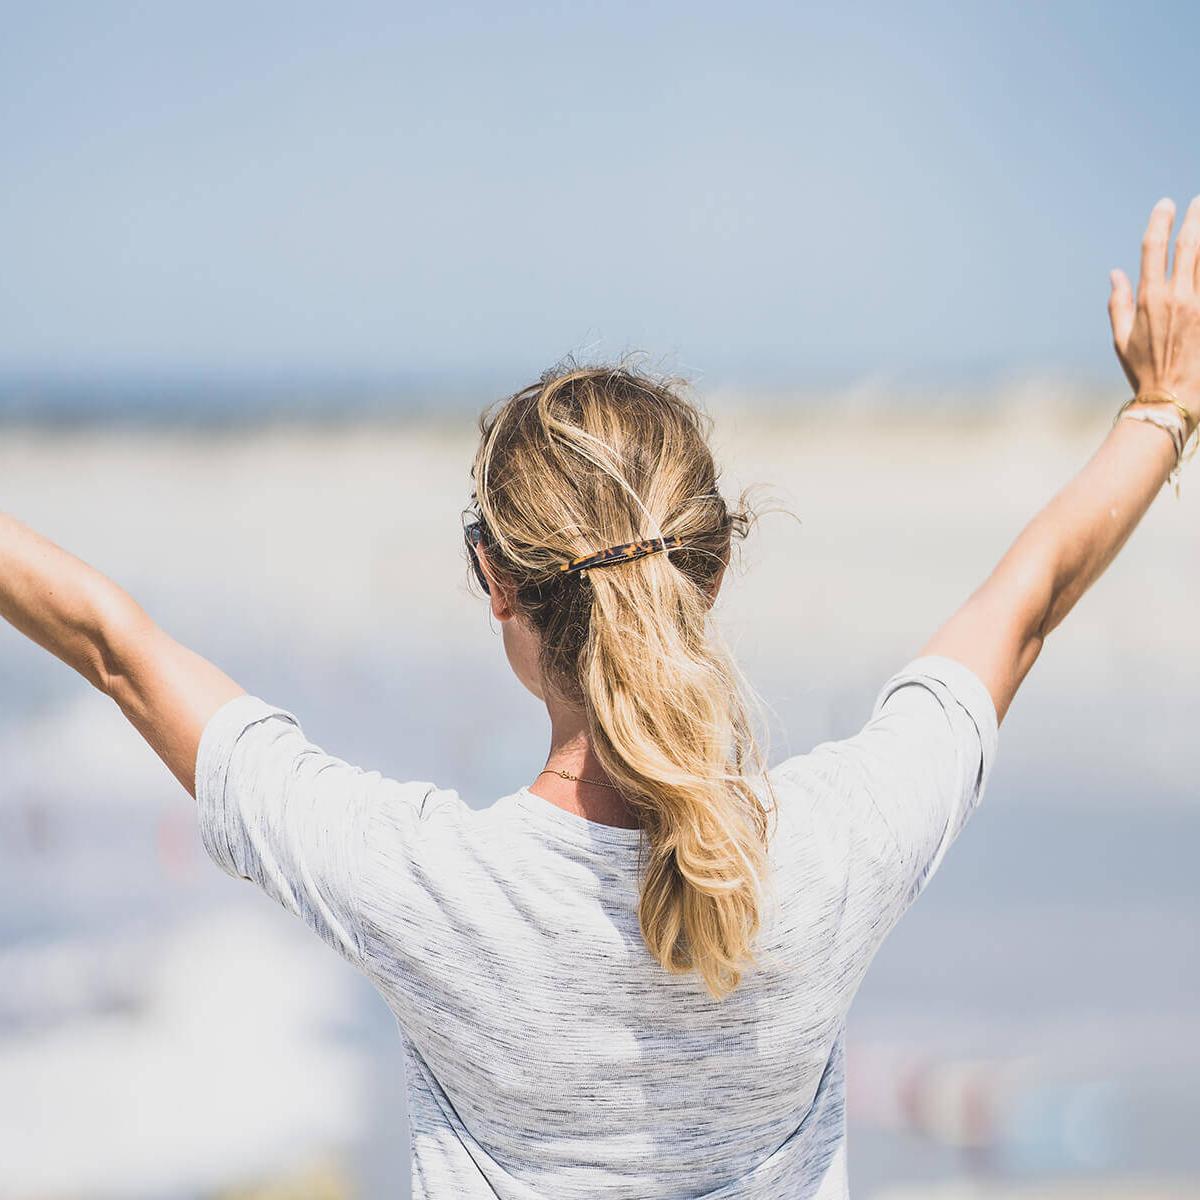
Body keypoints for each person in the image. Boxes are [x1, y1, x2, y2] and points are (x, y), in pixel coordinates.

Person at [1, 195, 1197, 1198]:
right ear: (713, 567)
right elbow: (1027, 602)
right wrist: (1161, 410)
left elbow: (119, 649)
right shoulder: (831, 851)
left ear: (493, 585)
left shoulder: (429, 890)